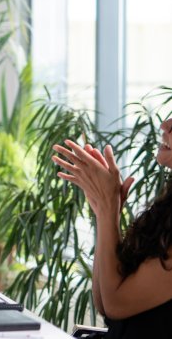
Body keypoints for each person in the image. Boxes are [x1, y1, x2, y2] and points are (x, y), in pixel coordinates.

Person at [52, 121, 172, 338]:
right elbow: (104, 302)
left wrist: (108, 207)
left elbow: (116, 305)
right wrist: (105, 211)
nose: (166, 125)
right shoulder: (166, 208)